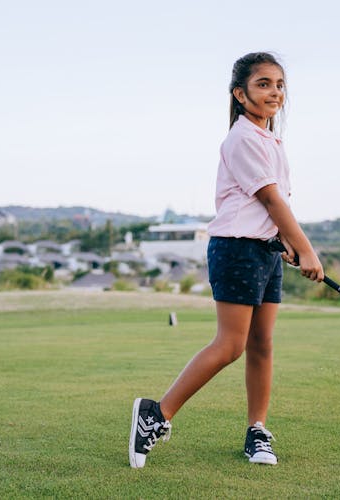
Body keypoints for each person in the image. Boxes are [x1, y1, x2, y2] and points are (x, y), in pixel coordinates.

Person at [129, 52, 324, 469]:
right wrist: (305, 247)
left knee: (261, 344)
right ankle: (155, 415)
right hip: (236, 248)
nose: (274, 92)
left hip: (264, 250)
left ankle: (257, 430)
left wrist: (284, 241)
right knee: (231, 345)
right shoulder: (243, 138)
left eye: (279, 84)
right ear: (240, 93)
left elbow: (272, 207)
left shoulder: (270, 138)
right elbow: (269, 198)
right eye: (263, 84)